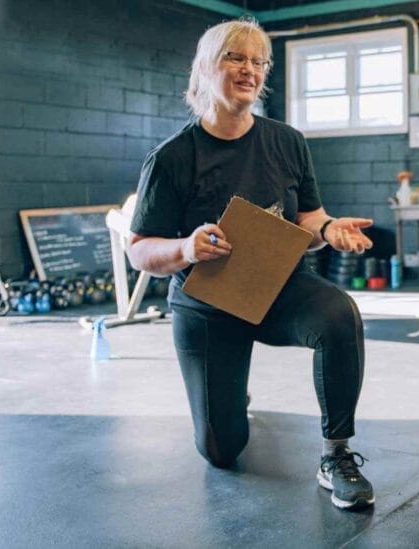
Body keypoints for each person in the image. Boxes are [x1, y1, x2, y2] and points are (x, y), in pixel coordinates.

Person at [127, 18, 376, 510]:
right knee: (221, 451)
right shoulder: (172, 158)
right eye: (236, 58)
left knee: (338, 314)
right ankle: (228, 402)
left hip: (279, 288)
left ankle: (337, 454)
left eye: (259, 62)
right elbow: (139, 249)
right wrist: (185, 249)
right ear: (204, 68)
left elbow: (309, 218)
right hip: (209, 304)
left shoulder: (287, 142)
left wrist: (329, 231)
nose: (250, 70)